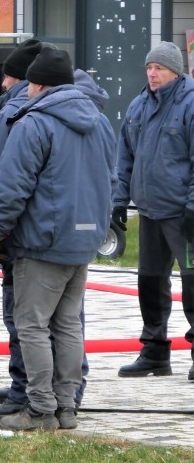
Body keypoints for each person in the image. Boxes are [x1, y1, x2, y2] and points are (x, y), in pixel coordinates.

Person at [0, 46, 116, 431]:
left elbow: (12, 188)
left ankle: (40, 409)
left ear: (38, 84)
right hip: (84, 241)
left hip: (41, 242)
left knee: (32, 325)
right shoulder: (100, 121)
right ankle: (67, 407)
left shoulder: (33, 122)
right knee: (69, 324)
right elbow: (111, 180)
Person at [114, 41, 194, 382]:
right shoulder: (137, 106)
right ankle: (154, 352)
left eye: (159, 68)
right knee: (149, 282)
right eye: (149, 67)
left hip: (183, 214)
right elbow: (125, 157)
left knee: (192, 283)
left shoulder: (190, 105)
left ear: (175, 71)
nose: (152, 73)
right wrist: (118, 200)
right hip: (149, 211)